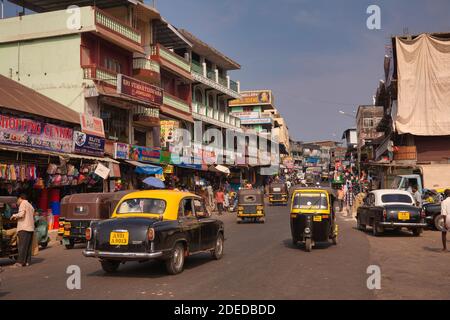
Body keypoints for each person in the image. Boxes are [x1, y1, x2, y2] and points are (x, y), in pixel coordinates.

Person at [10, 194, 35, 267]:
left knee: (22, 246)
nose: (17, 202)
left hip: (24, 228)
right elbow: (32, 214)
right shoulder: (30, 205)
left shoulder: (23, 203)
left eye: (17, 200)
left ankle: (20, 262)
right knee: (28, 246)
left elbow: (21, 214)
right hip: (30, 228)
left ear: (21, 198)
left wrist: (14, 215)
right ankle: (27, 261)